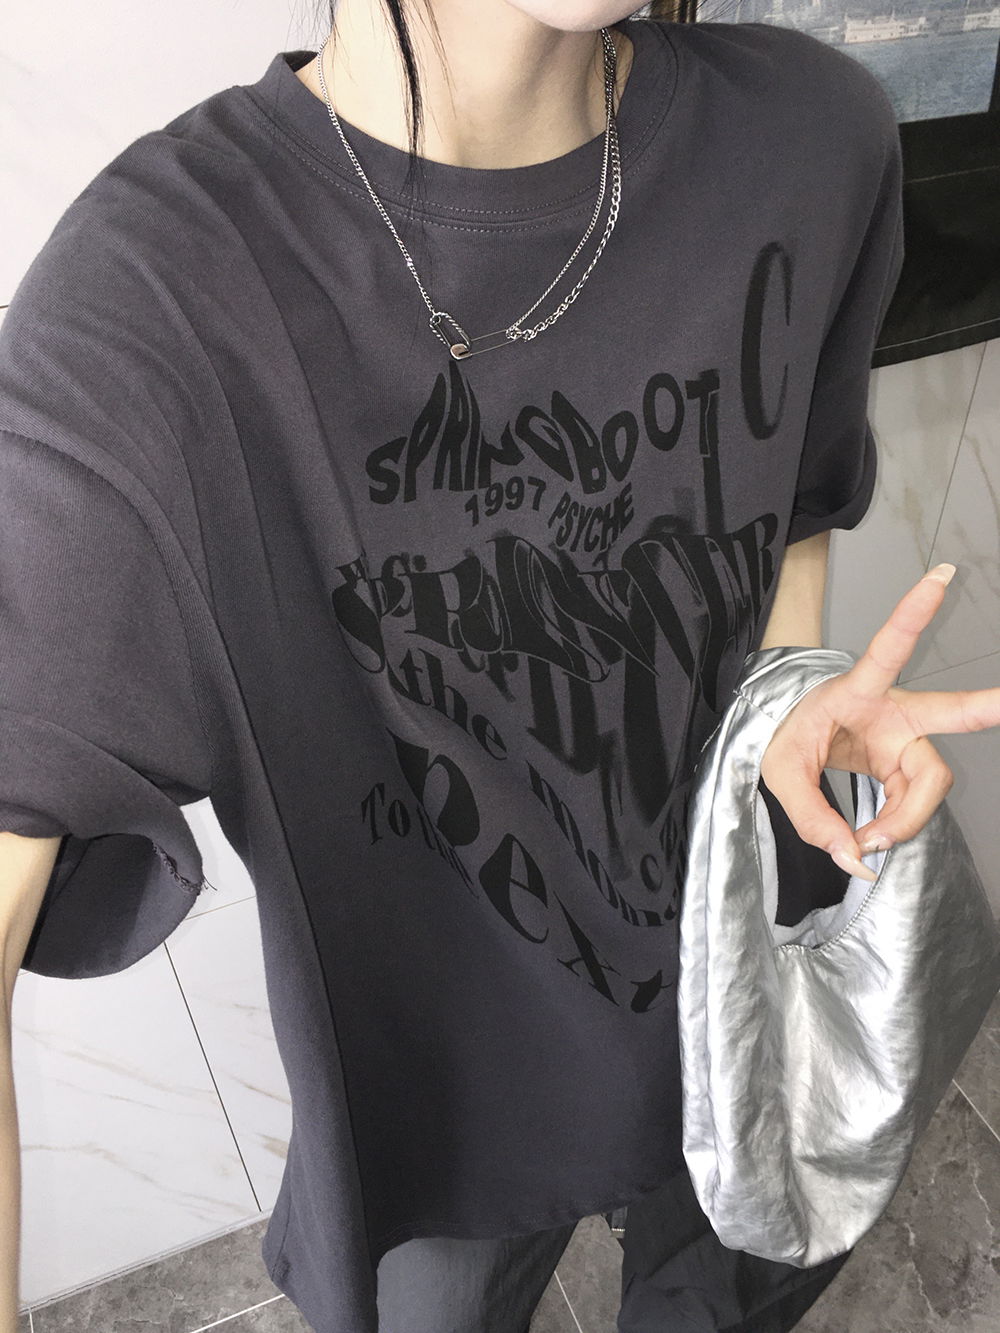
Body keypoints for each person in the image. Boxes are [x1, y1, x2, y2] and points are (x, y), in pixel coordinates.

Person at [1, 2, 998, 1330]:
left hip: (764, 962)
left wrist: (787, 691)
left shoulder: (814, 133)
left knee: (725, 1297)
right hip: (462, 1103)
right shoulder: (152, 312)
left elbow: (793, 496)